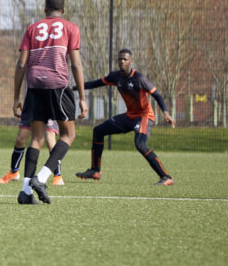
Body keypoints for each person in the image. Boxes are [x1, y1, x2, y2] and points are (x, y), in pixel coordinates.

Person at [12, 0, 87, 205]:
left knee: (36, 138)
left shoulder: (32, 28)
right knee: (68, 134)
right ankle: (41, 178)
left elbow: (20, 65)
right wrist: (82, 97)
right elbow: (75, 64)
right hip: (58, 85)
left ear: (44, 9)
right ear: (63, 11)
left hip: (34, 85)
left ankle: (25, 192)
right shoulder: (71, 28)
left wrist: (16, 96)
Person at [75, 49, 175, 185]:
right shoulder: (115, 77)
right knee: (98, 131)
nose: (122, 61)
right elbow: (95, 83)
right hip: (129, 116)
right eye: (120, 59)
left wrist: (165, 112)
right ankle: (95, 170)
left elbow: (157, 95)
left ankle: (166, 177)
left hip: (144, 116)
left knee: (140, 144)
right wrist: (72, 88)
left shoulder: (140, 79)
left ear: (131, 61)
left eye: (125, 59)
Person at [0, 94, 64, 186]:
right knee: (20, 138)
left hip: (49, 102)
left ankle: (58, 176)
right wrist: (17, 98)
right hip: (32, 103)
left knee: (50, 139)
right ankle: (14, 172)